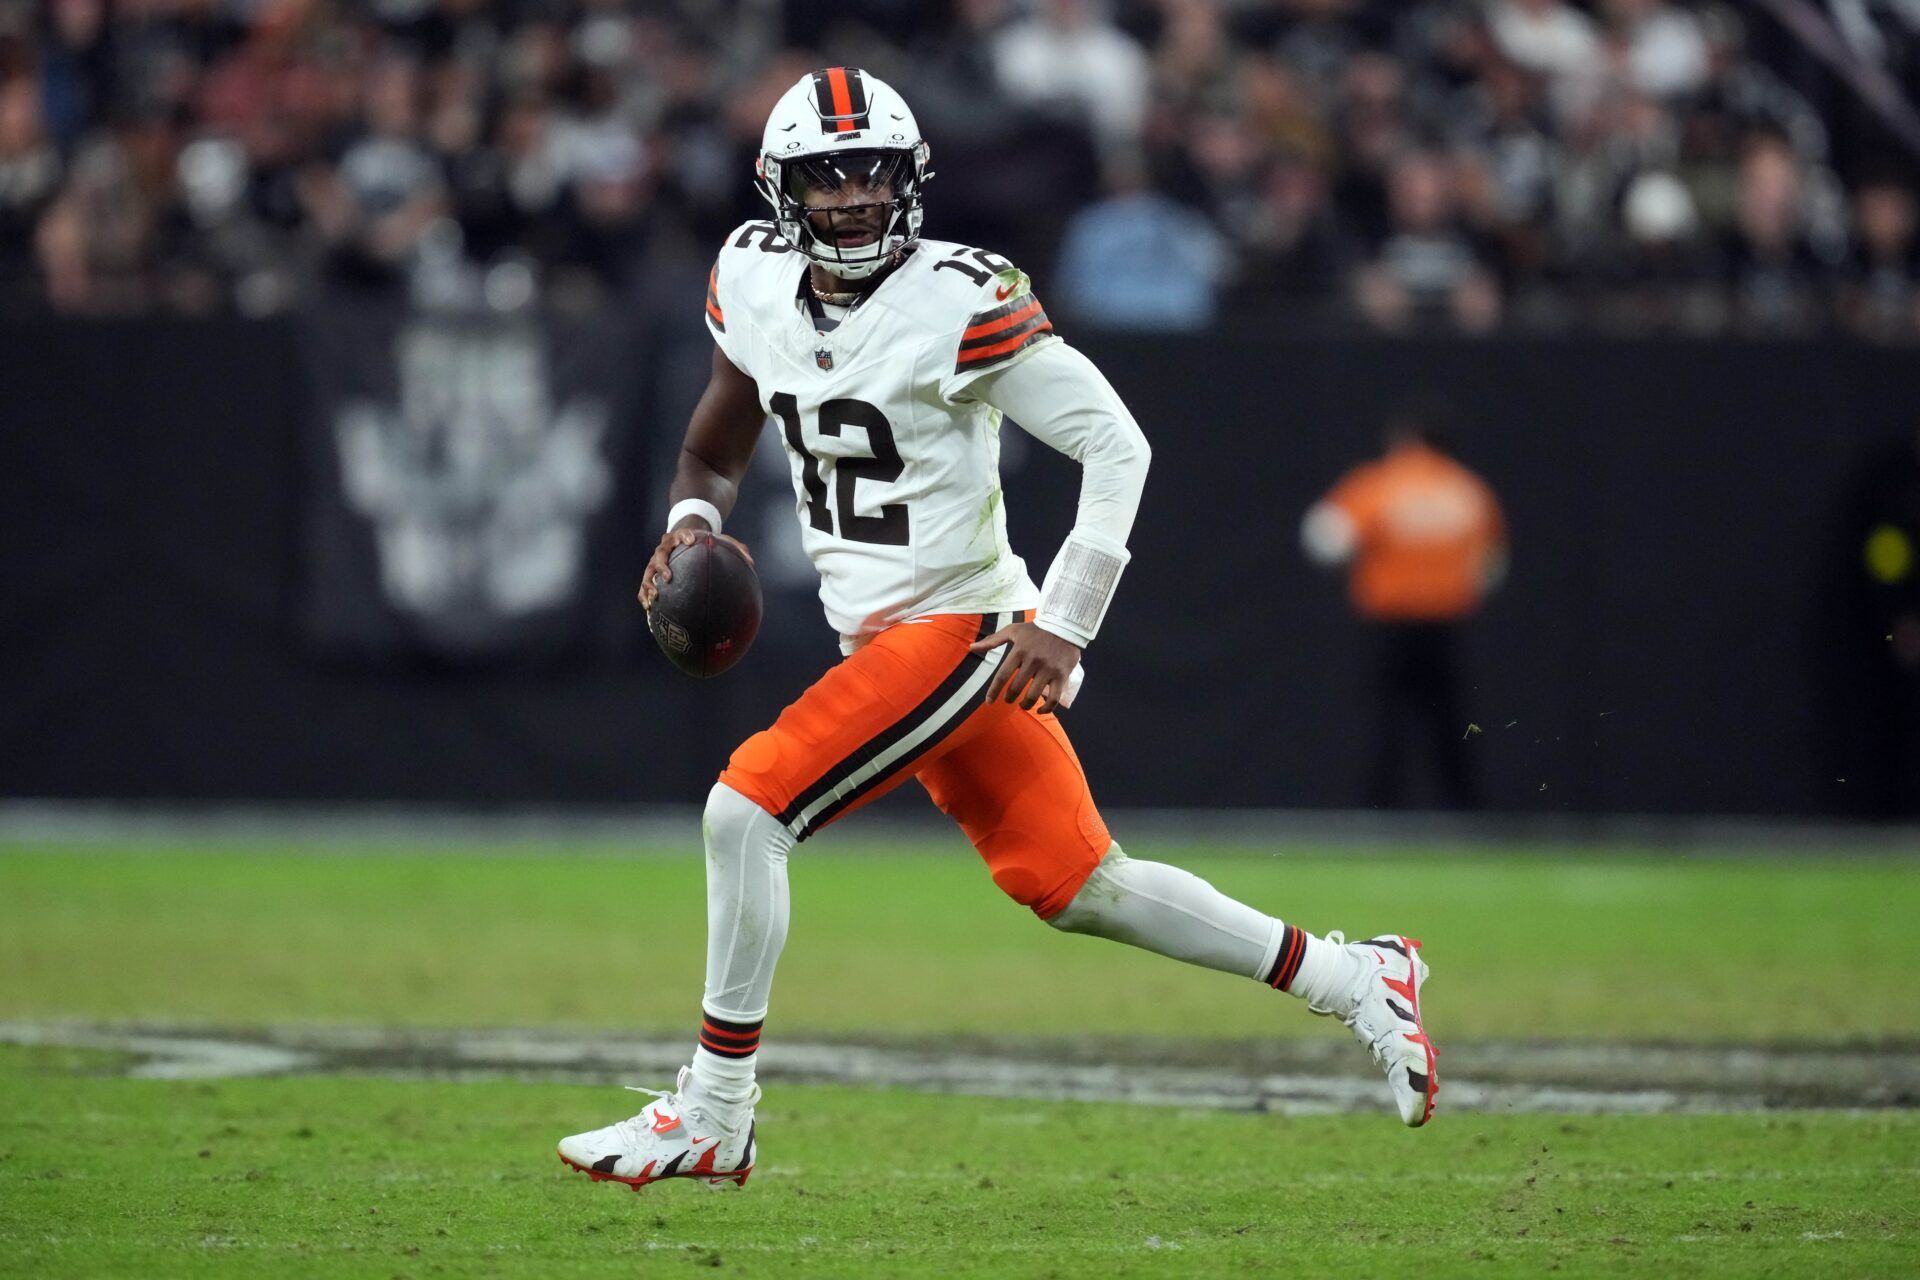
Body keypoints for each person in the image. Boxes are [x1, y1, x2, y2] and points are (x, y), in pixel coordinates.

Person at [555, 68, 1439, 1193]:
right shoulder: (755, 279)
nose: (856, 200)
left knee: (746, 806)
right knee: (1080, 883)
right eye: (830, 179)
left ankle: (717, 1110)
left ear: (911, 179)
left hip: (962, 625)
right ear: (786, 191)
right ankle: (1359, 976)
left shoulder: (958, 298)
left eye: (874, 173)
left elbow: (1119, 447)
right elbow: (716, 444)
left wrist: (1064, 620)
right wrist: (689, 526)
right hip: (880, 633)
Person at [1302, 403, 1507, 810]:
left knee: (1382, 720)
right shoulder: (1468, 490)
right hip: (1446, 624)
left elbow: (1324, 538)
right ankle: (1465, 813)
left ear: (1408, 437)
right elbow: (1492, 565)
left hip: (1389, 623)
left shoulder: (1381, 483)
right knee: (1453, 722)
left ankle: (1381, 811)